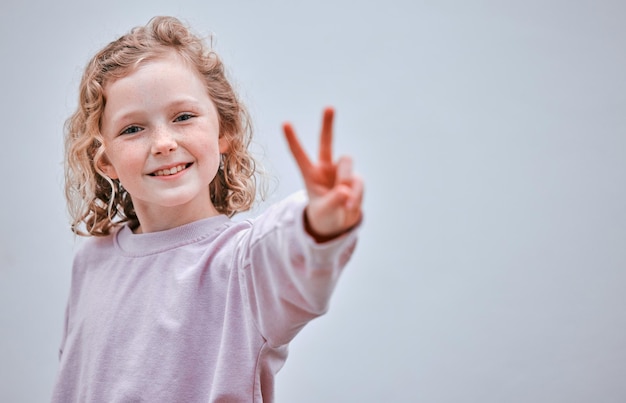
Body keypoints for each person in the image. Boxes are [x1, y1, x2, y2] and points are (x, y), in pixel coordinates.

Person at [51, 16, 363, 403]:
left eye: (183, 117)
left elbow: (290, 254)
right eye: (132, 129)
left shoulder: (241, 265)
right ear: (106, 162)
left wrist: (316, 224)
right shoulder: (91, 263)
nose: (163, 143)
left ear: (223, 132)